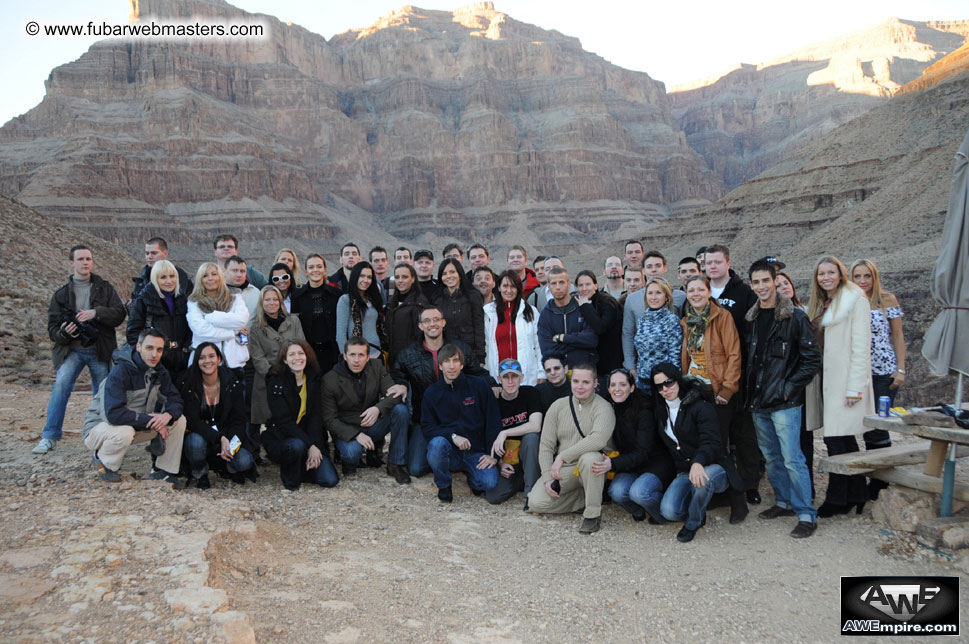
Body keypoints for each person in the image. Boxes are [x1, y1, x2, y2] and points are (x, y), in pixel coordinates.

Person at [744, 260, 822, 538]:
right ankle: (783, 502)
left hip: (785, 401)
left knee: (792, 458)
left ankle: (805, 513)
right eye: (756, 282)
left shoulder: (794, 317)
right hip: (758, 401)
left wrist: (789, 387)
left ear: (775, 281)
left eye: (766, 280)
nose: (761, 286)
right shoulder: (751, 318)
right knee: (772, 457)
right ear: (751, 285)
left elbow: (811, 359)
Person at [35, 245, 126, 454]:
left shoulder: (104, 288)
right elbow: (52, 328)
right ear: (71, 263)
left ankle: (101, 437)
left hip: (99, 349)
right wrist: (64, 333)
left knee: (101, 393)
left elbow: (119, 314)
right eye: (81, 259)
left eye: (89, 259)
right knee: (61, 385)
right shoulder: (61, 294)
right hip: (71, 350)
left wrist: (96, 313)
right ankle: (49, 436)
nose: (86, 263)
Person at [680, 275, 758, 503]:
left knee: (724, 442)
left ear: (709, 293)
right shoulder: (686, 321)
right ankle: (715, 491)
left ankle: (741, 494)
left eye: (700, 289)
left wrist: (727, 389)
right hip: (696, 388)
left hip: (718, 388)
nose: (695, 294)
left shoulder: (722, 317)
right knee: (708, 442)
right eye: (691, 290)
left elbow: (734, 354)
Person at [807, 256, 874, 517]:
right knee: (842, 439)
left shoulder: (855, 301)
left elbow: (861, 347)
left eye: (830, 272)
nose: (825, 277)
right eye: (821, 273)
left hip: (845, 381)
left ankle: (837, 499)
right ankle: (856, 493)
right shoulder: (825, 302)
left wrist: (855, 388)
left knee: (836, 439)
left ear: (840, 274)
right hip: (827, 378)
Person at [651, 363, 746, 542]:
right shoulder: (660, 411)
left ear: (678, 380)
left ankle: (694, 521)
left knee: (701, 481)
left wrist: (698, 462)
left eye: (669, 382)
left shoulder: (700, 405)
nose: (665, 389)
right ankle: (698, 505)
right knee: (669, 511)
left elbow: (712, 442)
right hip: (684, 470)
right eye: (659, 386)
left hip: (712, 465)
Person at [391, 307, 490, 477]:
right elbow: (398, 374)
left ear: (443, 323)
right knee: (415, 468)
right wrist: (401, 384)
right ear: (421, 326)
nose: (432, 324)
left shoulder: (460, 349)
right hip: (427, 421)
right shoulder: (408, 354)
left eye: (436, 319)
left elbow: (478, 373)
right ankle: (441, 455)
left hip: (458, 418)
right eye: (427, 321)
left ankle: (453, 459)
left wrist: (494, 385)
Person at [82, 329, 185, 486]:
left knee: (179, 420)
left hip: (135, 424)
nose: (154, 354)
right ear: (138, 347)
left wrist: (167, 416)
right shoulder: (120, 372)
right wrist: (152, 420)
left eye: (159, 350)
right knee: (124, 431)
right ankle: (104, 461)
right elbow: (113, 414)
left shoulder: (159, 371)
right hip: (100, 428)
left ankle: (162, 471)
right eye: (149, 348)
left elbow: (175, 399)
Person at [527, 363, 615, 534]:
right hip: (567, 470)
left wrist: (562, 457)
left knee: (591, 459)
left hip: (592, 467)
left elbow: (597, 440)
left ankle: (592, 514)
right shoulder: (558, 406)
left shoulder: (604, 407)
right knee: (535, 502)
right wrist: (547, 477)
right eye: (575, 381)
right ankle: (585, 498)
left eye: (585, 382)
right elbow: (546, 445)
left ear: (595, 383)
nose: (580, 387)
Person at [322, 337, 410, 482]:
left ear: (368, 357)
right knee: (352, 454)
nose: (356, 360)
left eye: (361, 355)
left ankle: (395, 464)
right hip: (347, 428)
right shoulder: (330, 379)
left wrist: (378, 408)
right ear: (345, 356)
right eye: (352, 355)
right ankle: (347, 461)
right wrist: (356, 435)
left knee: (400, 410)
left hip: (372, 423)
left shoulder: (376, 366)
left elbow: (394, 394)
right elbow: (329, 419)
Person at [421, 344, 500, 502]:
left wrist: (493, 455)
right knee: (436, 445)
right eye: (447, 361)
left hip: (476, 452)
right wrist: (453, 436)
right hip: (450, 452)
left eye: (455, 361)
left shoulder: (478, 385)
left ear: (462, 364)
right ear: (440, 365)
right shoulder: (432, 393)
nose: (451, 366)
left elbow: (494, 420)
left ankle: (473, 479)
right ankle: (444, 485)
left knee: (489, 483)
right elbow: (428, 428)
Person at [599, 368, 675, 523]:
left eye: (622, 384)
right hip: (631, 464)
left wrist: (613, 464)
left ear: (632, 387)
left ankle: (661, 515)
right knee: (616, 491)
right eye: (613, 385)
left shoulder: (643, 409)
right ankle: (639, 510)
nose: (617, 389)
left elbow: (643, 452)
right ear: (608, 389)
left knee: (639, 493)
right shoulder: (607, 407)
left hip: (655, 462)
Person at [263, 340, 339, 490]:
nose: (297, 358)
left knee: (330, 480)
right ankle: (291, 475)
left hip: (309, 434)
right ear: (285, 360)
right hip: (283, 437)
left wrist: (316, 446)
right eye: (291, 354)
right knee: (296, 446)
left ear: (307, 356)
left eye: (301, 353)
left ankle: (304, 468)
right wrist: (310, 445)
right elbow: (283, 421)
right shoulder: (276, 382)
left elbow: (316, 417)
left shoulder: (313, 378)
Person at [178, 342, 256, 488]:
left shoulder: (232, 382)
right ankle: (200, 473)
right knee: (195, 443)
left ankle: (226, 467)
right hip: (201, 435)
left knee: (244, 461)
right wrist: (219, 438)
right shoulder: (188, 383)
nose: (207, 361)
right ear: (197, 361)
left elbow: (239, 420)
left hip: (226, 434)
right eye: (202, 358)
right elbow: (192, 421)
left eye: (211, 356)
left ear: (219, 359)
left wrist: (231, 443)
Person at [850, 259, 906, 456]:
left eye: (867, 276)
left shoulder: (887, 299)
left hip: (884, 372)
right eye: (857, 276)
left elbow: (898, 335)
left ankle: (879, 480)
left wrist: (900, 370)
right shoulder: (849, 301)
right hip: (859, 372)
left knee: (879, 424)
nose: (862, 280)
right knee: (865, 423)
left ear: (874, 277)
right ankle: (874, 471)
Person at [249, 285, 306, 439]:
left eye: (275, 299)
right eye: (267, 299)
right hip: (268, 377)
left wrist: (293, 369)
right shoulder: (255, 328)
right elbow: (257, 356)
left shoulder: (293, 321)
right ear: (262, 303)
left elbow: (302, 345)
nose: (271, 302)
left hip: (294, 374)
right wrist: (274, 373)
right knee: (269, 416)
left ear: (280, 301)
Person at [486, 359, 544, 507]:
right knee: (494, 496)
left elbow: (536, 425)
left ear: (522, 377)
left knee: (531, 438)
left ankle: (530, 492)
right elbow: (487, 434)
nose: (510, 381)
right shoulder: (494, 400)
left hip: (529, 453)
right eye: (506, 377)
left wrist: (504, 433)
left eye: (514, 376)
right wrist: (499, 463)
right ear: (499, 379)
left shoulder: (530, 393)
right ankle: (521, 479)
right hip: (508, 458)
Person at [126, 259, 192, 379]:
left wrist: (184, 352)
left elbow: (190, 328)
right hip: (156, 363)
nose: (169, 281)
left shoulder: (183, 299)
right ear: (155, 279)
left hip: (181, 362)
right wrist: (153, 352)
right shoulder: (143, 300)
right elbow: (133, 333)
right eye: (163, 277)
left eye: (172, 276)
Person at [186, 263, 250, 370]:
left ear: (220, 276)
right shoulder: (194, 302)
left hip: (234, 362)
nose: (210, 278)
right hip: (205, 363)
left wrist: (212, 318)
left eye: (214, 274)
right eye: (205, 275)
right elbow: (201, 330)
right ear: (200, 280)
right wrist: (234, 332)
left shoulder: (235, 296)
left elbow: (241, 320)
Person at [484, 270, 542, 385]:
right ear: (499, 287)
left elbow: (539, 345)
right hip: (498, 376)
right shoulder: (488, 312)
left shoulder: (531, 312)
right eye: (505, 286)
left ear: (518, 288)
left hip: (527, 376)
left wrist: (541, 373)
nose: (509, 290)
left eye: (513, 286)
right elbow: (486, 346)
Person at [290, 253, 342, 374]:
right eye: (311, 267)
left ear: (324, 270)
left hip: (332, 352)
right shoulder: (297, 296)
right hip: (308, 353)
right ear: (306, 271)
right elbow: (295, 326)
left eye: (319, 266)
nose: (315, 270)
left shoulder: (336, 294)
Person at [537, 267, 598, 367]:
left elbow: (591, 339)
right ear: (548, 286)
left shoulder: (582, 307)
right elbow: (547, 349)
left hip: (584, 370)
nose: (557, 287)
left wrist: (563, 338)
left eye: (561, 282)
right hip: (558, 373)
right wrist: (578, 345)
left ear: (569, 284)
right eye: (553, 283)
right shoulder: (546, 314)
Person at [631, 278, 683, 390]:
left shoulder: (672, 320)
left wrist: (671, 383)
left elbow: (675, 355)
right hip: (642, 381)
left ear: (667, 297)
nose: (653, 297)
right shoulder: (642, 320)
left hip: (663, 384)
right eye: (650, 293)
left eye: (658, 293)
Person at [433, 257, 486, 364]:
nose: (449, 276)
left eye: (452, 272)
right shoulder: (437, 300)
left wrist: (480, 356)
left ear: (460, 274)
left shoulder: (473, 296)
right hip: (445, 355)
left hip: (469, 353)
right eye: (444, 273)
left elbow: (479, 326)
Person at [336, 261, 387, 360]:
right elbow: (340, 335)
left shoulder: (372, 299)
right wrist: (346, 358)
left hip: (376, 353)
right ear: (355, 277)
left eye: (369, 277)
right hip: (357, 357)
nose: (365, 280)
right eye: (362, 276)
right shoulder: (345, 300)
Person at [574, 271, 623, 374]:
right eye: (580, 285)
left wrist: (585, 307)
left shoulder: (606, 302)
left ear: (595, 286)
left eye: (588, 284)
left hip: (611, 359)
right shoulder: (578, 302)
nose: (584, 288)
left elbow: (600, 327)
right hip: (594, 360)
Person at [385, 262, 430, 365]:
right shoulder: (392, 301)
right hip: (393, 359)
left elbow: (421, 338)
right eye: (397, 277)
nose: (400, 280)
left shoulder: (419, 303)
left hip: (411, 361)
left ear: (413, 279)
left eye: (404, 277)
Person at [130, 236, 192, 301]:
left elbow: (177, 302)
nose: (149, 257)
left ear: (165, 253)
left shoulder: (178, 275)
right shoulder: (143, 276)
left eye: (154, 253)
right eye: (147, 253)